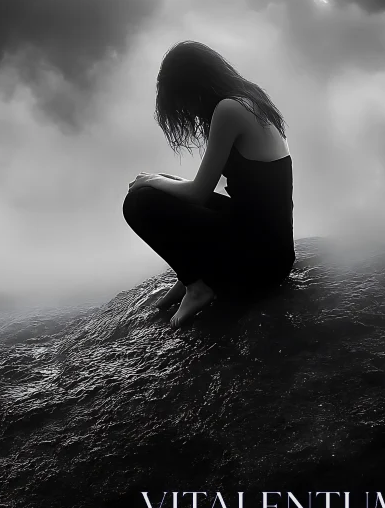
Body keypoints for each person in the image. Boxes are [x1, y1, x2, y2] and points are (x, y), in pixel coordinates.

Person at [122, 40, 295, 330]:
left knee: (138, 202)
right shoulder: (248, 100)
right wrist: (160, 180)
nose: (185, 109)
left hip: (260, 262)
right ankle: (190, 274)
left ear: (193, 86)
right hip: (271, 249)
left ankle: (197, 286)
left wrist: (152, 179)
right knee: (160, 188)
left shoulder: (229, 109)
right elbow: (204, 190)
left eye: (181, 98)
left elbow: (198, 193)